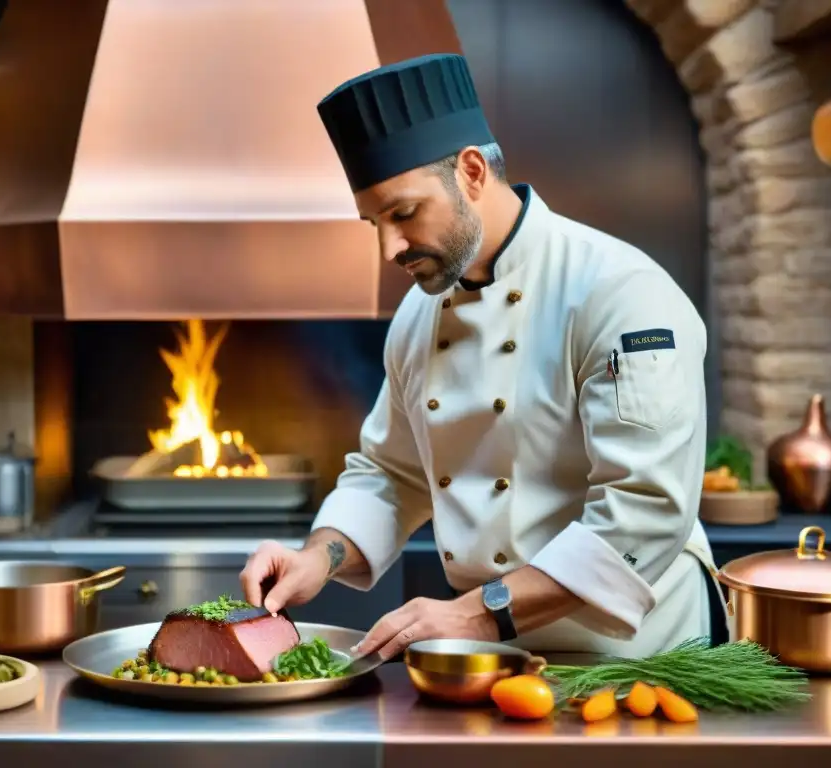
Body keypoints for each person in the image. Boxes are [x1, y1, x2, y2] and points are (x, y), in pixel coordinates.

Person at [240, 53, 727, 661]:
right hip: (494, 658)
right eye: (373, 223)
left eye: (403, 213)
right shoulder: (420, 316)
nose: (389, 246)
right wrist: (319, 556)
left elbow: (643, 511)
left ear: (472, 172)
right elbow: (393, 473)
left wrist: (475, 613)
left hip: (644, 659)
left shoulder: (619, 291)